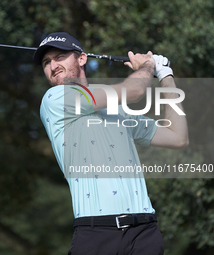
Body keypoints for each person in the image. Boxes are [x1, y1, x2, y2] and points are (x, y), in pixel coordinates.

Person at [33, 32, 189, 255]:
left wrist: (165, 74)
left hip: (144, 233)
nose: (53, 65)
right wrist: (147, 66)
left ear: (82, 58)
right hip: (96, 234)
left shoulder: (119, 112)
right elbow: (134, 91)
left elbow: (178, 137)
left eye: (59, 57)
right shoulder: (55, 99)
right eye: (47, 62)